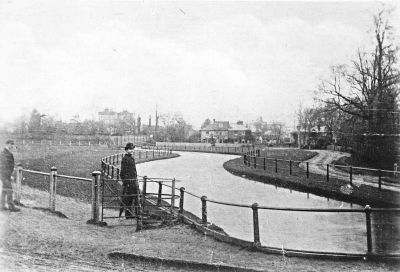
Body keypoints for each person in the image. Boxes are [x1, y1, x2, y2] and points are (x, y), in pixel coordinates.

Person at [119, 142, 139, 219]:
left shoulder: (131, 158)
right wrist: (126, 182)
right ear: (126, 150)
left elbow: (134, 171)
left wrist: (135, 179)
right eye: (130, 149)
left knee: (135, 198)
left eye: (133, 149)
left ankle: (135, 214)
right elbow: (123, 173)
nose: (132, 151)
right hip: (129, 182)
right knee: (129, 199)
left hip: (134, 181)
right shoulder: (125, 159)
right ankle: (129, 215)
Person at [0, 140, 20, 212]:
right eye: (11, 144)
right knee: (9, 190)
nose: (12, 146)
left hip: (4, 175)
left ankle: (1, 206)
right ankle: (11, 207)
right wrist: (9, 176)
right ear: (7, 144)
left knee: (4, 190)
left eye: (13, 144)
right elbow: (4, 166)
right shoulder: (5, 153)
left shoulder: (6, 152)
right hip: (5, 176)